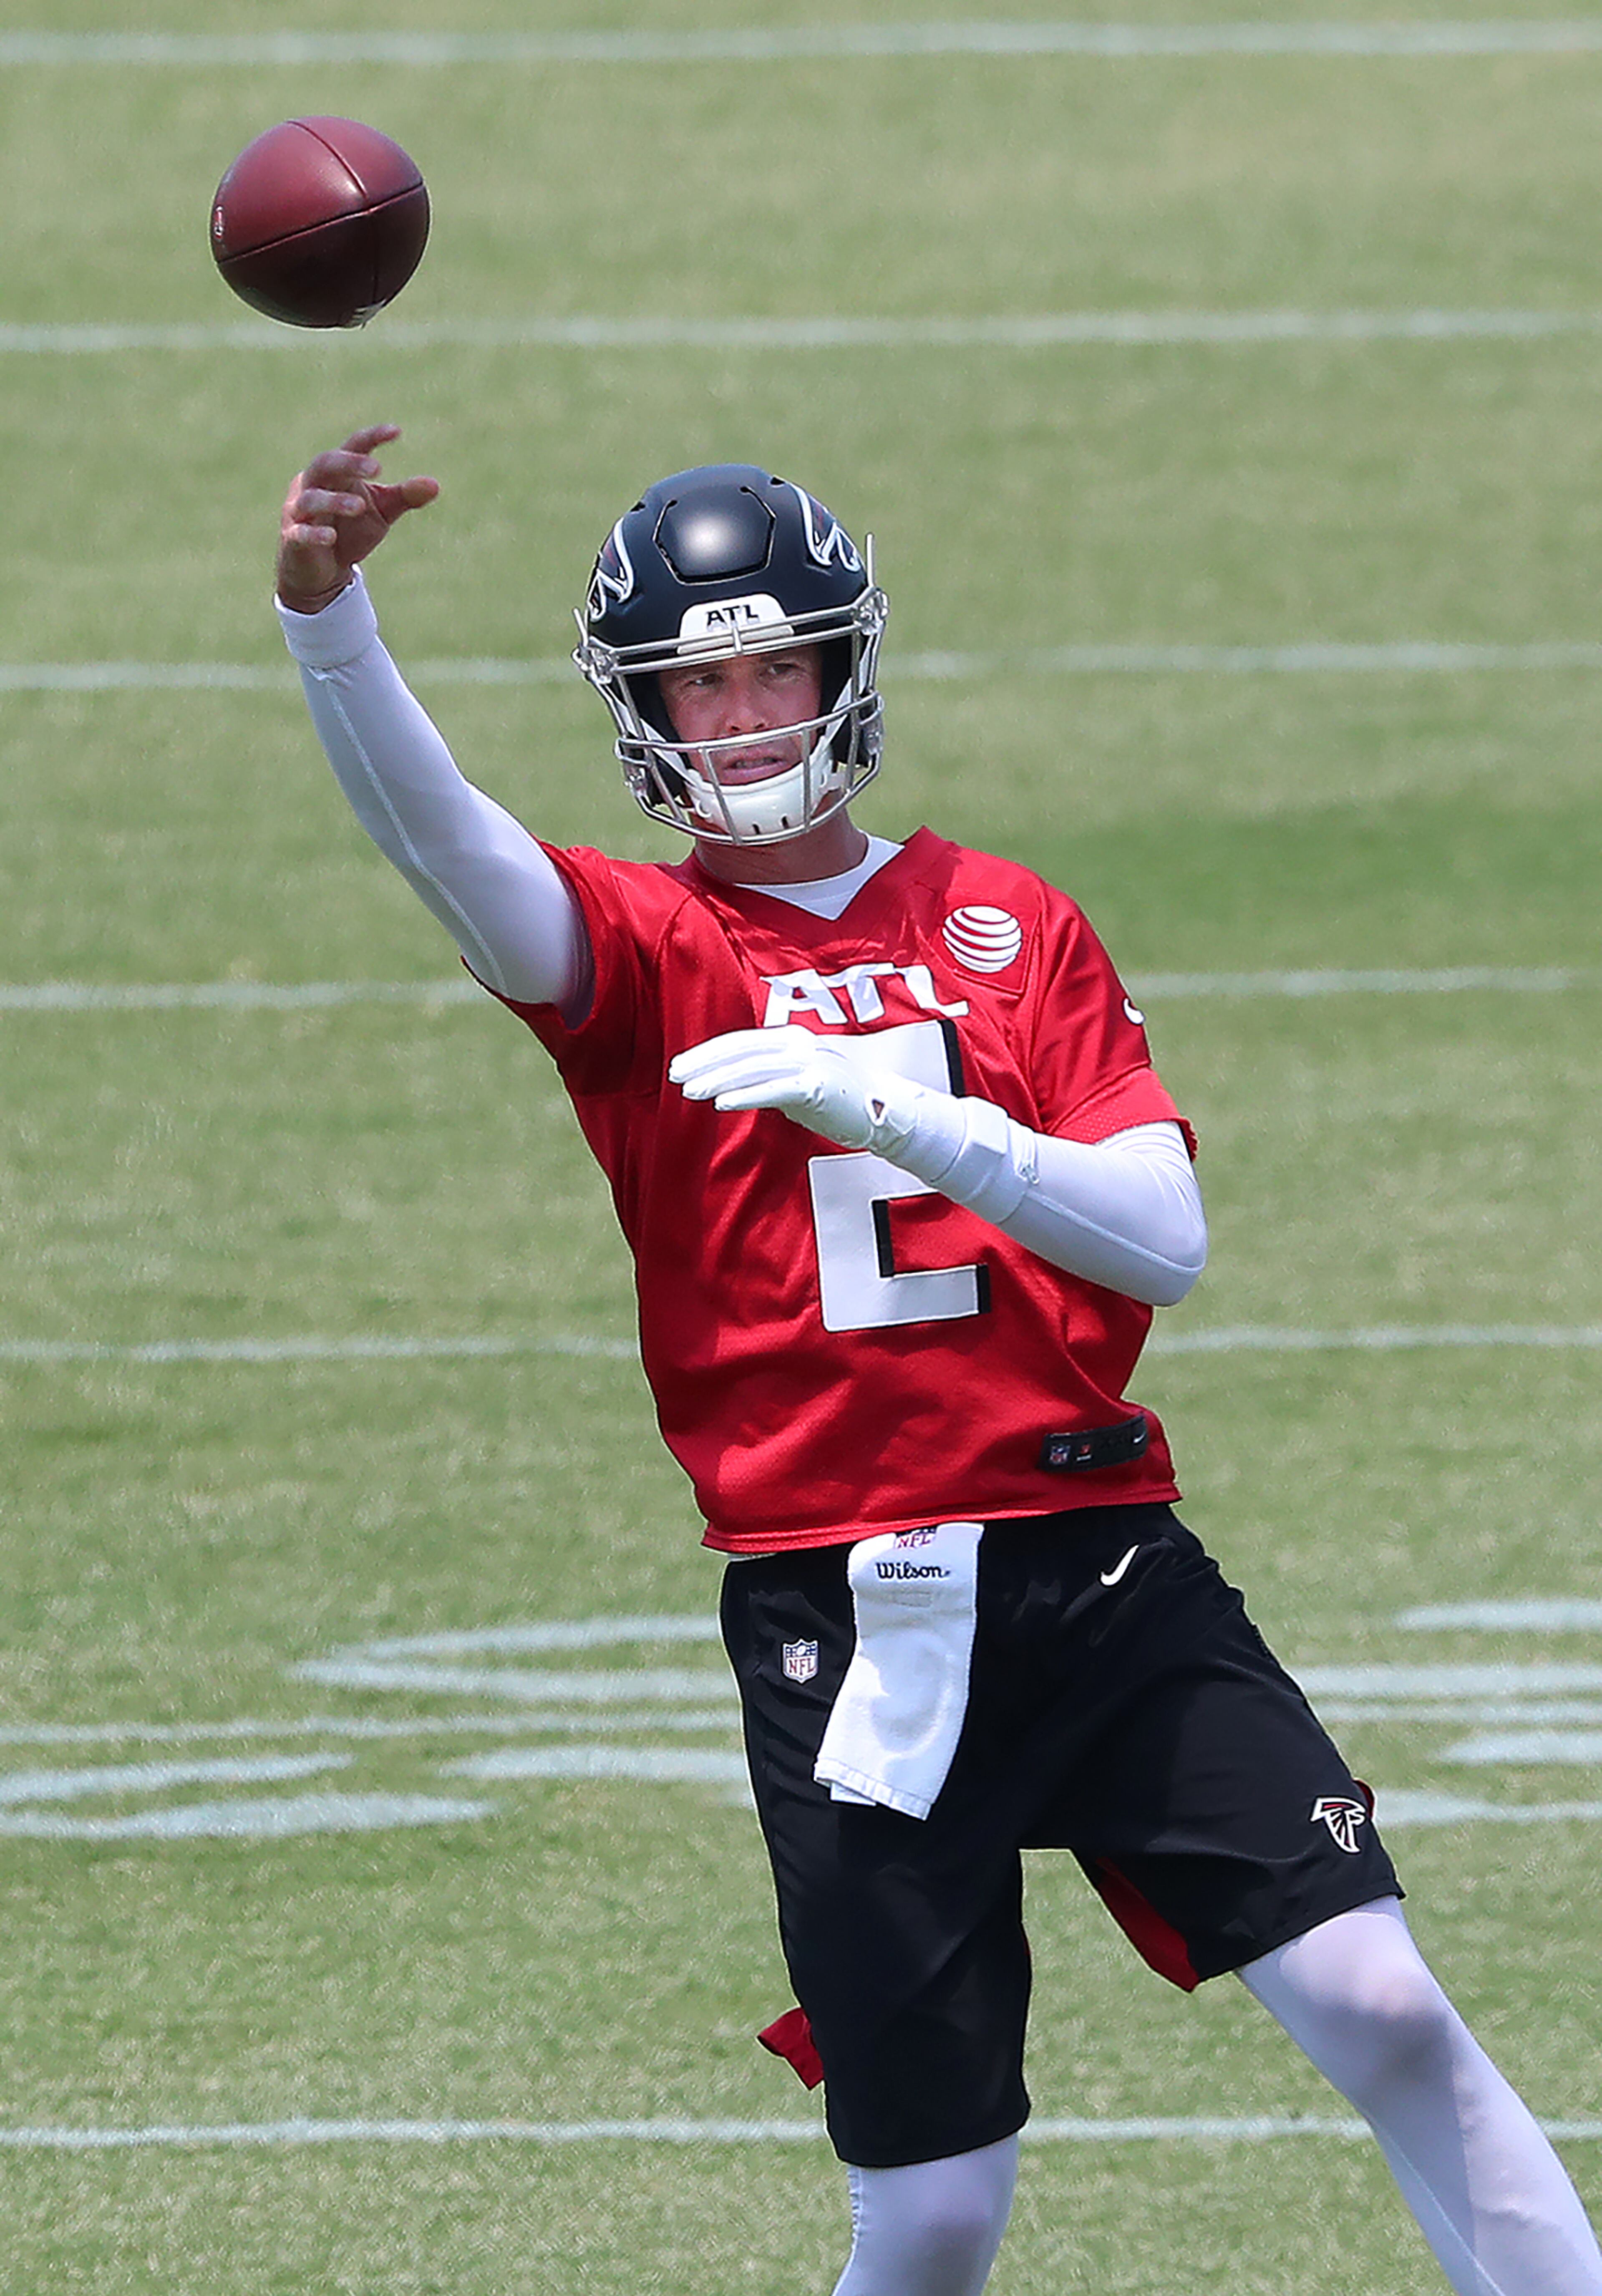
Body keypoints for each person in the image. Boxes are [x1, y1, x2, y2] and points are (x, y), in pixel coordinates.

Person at [274, 424, 1602, 2296]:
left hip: (1099, 1557)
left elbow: (1165, 1237)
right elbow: (444, 842)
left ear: (842, 665)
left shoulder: (1007, 915)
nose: (739, 716)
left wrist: (911, 1121)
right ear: (643, 706)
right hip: (847, 1605)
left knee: (1384, 1995)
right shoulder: (644, 941)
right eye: (697, 681)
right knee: (937, 2200)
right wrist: (324, 619)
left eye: (772, 668)